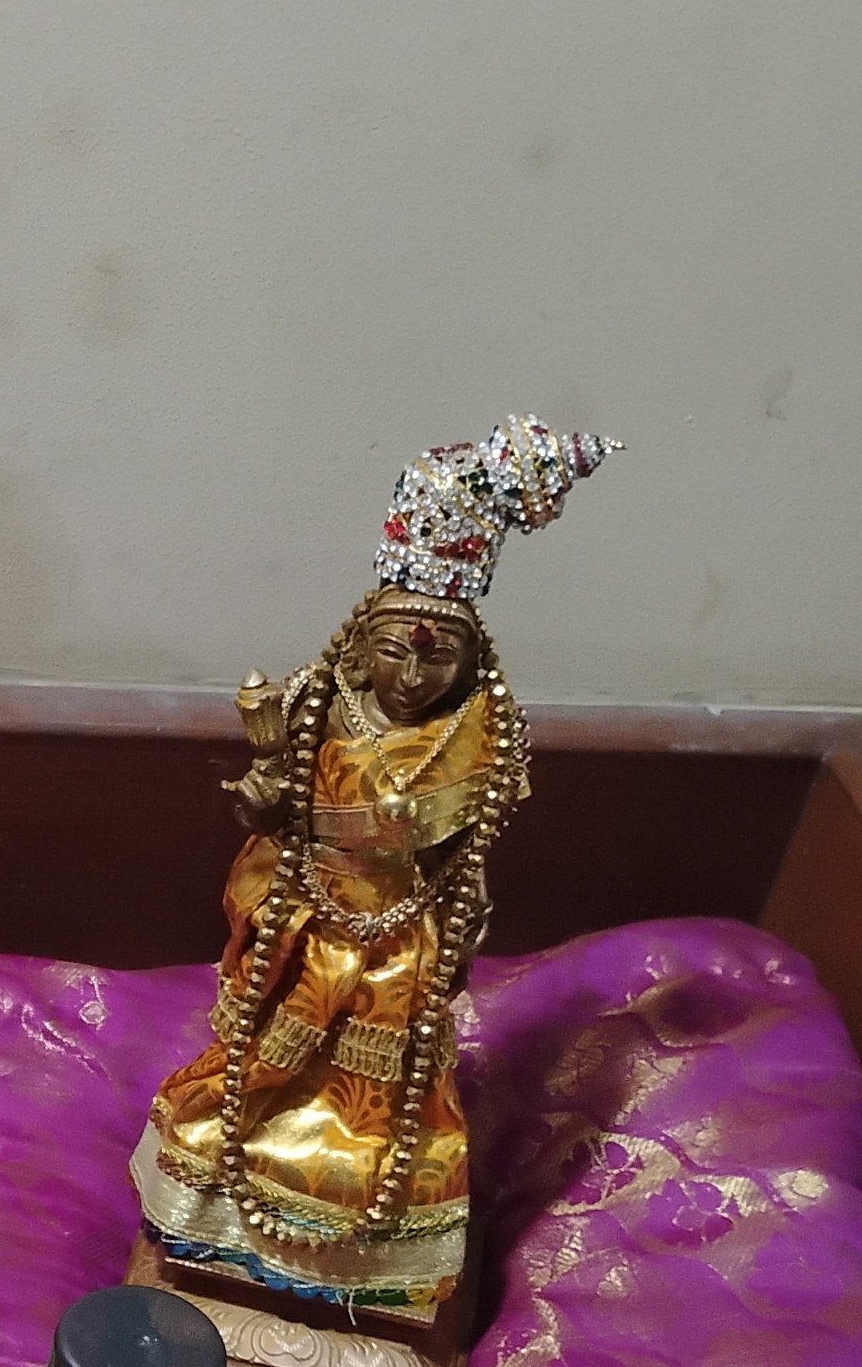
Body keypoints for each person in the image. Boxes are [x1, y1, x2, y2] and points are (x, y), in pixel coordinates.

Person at [132, 417, 615, 1307]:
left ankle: (377, 1254)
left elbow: (465, 850)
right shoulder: (320, 704)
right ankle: (220, 1215)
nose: (413, 677)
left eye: (439, 658)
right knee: (258, 1071)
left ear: (470, 663)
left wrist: (454, 920)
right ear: (363, 647)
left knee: (386, 1101)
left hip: (401, 935)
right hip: (307, 918)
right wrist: (262, 800)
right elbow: (274, 808)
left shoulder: (478, 737)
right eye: (393, 651)